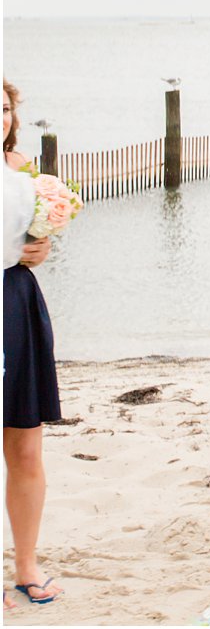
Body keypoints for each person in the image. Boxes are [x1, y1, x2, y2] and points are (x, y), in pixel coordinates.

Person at [3, 79, 63, 607]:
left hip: (15, 301)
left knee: (25, 442)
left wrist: (39, 245)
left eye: (3, 109)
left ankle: (25, 564)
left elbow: (29, 235)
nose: (0, 118)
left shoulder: (22, 169)